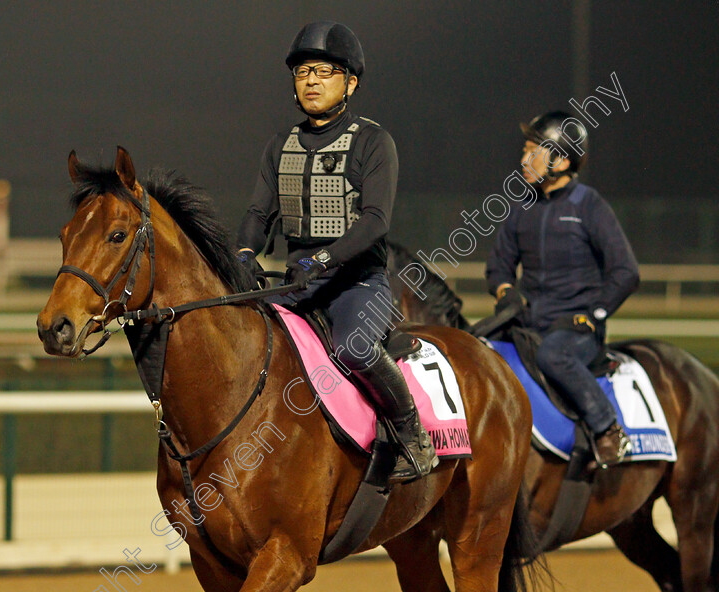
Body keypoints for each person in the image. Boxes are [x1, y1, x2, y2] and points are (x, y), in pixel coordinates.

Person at [235, 21, 437, 482]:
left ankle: (412, 435)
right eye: (303, 71)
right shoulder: (278, 146)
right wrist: (244, 252)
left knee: (355, 347)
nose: (311, 80)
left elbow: (375, 221)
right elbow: (258, 215)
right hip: (297, 285)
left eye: (324, 71)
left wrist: (325, 259)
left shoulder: (373, 142)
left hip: (357, 284)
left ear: (351, 82)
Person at [486, 111, 640, 468]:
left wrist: (596, 313)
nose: (524, 160)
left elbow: (626, 272)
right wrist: (505, 290)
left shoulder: (589, 204)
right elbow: (498, 266)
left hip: (576, 329)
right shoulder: (521, 206)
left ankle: (608, 430)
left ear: (562, 159)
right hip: (528, 323)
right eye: (524, 150)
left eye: (533, 151)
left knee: (554, 356)